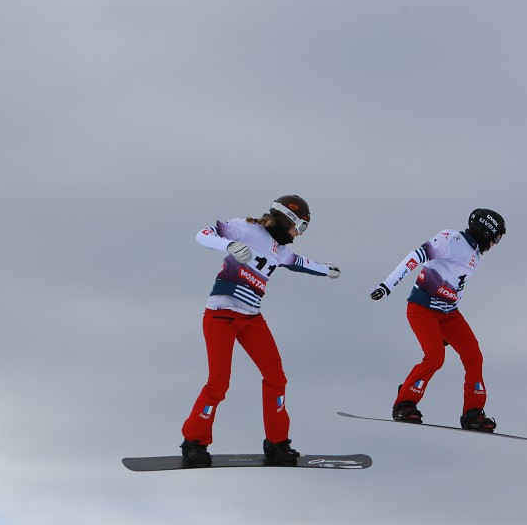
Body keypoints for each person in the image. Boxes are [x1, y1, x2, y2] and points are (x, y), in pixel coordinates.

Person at [181, 195, 341, 467]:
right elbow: (203, 234)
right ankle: (194, 443)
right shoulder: (246, 229)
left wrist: (326, 270)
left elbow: (299, 262)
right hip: (220, 316)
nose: (297, 234)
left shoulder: (279, 249)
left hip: (251, 319)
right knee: (218, 384)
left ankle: (277, 443)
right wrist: (229, 245)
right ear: (285, 219)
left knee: (276, 378)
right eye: (298, 227)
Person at [369, 209, 506, 431]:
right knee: (435, 358)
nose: (495, 244)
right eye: (496, 237)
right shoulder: (451, 239)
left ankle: (473, 413)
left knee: (473, 356)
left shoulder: (475, 256)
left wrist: (445, 332)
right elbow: (414, 258)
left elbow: (455, 287)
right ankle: (405, 403)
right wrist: (387, 285)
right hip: (422, 309)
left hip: (449, 314)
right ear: (485, 232)